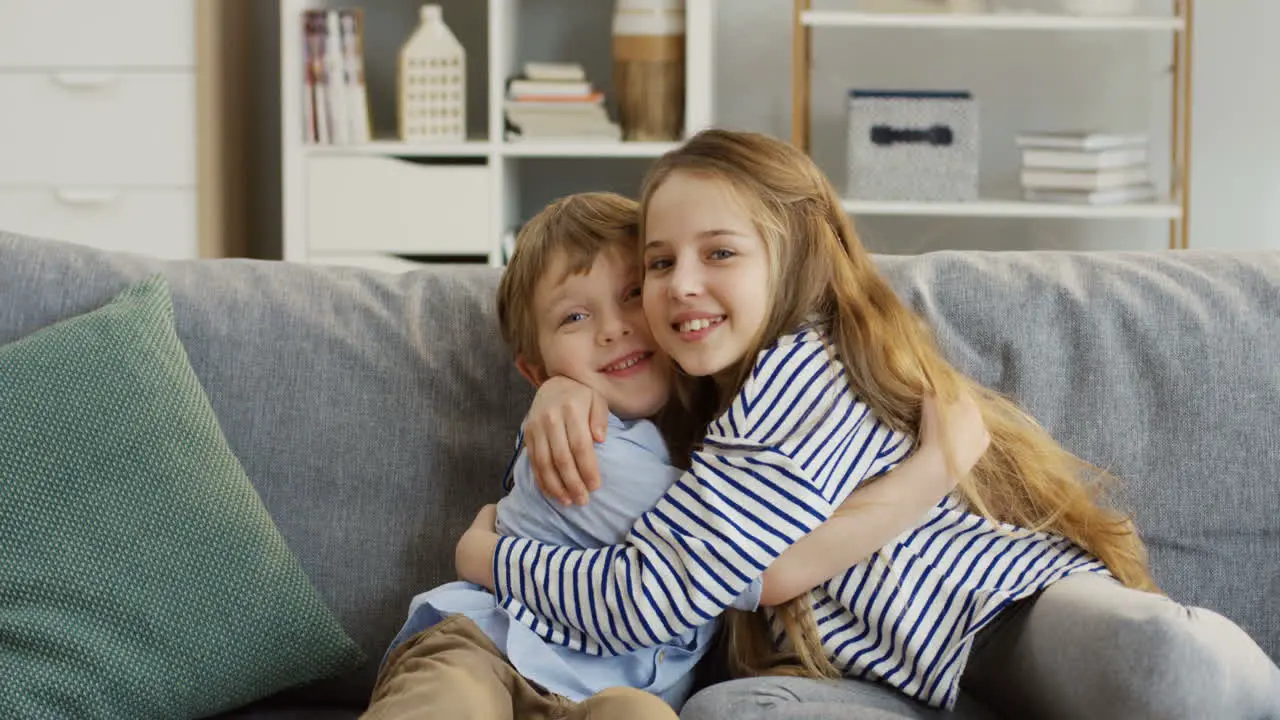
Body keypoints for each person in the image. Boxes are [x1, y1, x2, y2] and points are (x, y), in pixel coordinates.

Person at [455, 129, 1280, 720]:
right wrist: (561, 393)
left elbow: (665, 593)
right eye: (661, 264)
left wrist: (489, 556)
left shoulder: (796, 372)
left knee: (1166, 663)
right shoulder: (703, 397)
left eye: (720, 253)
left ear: (792, 259)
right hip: (884, 674)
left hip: (993, 613)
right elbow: (631, 504)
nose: (677, 287)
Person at [363, 191, 984, 719]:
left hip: (617, 691)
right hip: (489, 647)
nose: (615, 328)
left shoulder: (720, 429)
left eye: (634, 294)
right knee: (449, 702)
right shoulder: (582, 438)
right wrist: (930, 472)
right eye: (576, 316)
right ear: (535, 369)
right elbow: (749, 567)